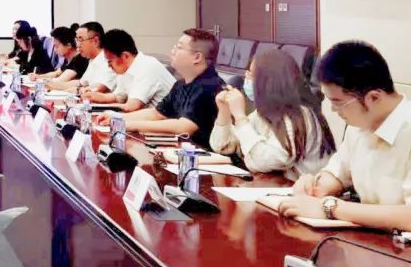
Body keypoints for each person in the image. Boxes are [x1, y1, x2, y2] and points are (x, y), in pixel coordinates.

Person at [279, 42, 411, 231]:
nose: (334, 110)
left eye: (338, 103)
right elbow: (338, 173)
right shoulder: (358, 127)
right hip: (369, 241)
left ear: (373, 97)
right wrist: (315, 186)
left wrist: (330, 208)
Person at [210, 49, 334, 179]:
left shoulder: (298, 116)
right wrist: (224, 111)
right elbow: (222, 146)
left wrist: (240, 117)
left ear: (269, 82)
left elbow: (264, 162)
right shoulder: (262, 113)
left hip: (301, 189)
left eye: (251, 75)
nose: (246, 78)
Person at [99, 29, 223, 148]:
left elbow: (183, 127)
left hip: (204, 155)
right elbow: (157, 113)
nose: (173, 50)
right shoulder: (181, 84)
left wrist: (128, 124)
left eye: (179, 47)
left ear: (197, 57)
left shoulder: (209, 87)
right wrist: (117, 117)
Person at [83, 29, 175, 111]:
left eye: (110, 61)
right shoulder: (125, 69)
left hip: (167, 121)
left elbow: (131, 107)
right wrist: (98, 97)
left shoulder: (147, 66)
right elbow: (120, 97)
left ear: (125, 56)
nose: (109, 66)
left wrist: (94, 107)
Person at [48, 21, 116, 92]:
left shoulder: (108, 60)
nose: (77, 45)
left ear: (96, 41)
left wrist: (77, 90)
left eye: (81, 40)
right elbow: (80, 83)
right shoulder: (92, 60)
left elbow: (97, 89)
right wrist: (48, 85)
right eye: (77, 40)